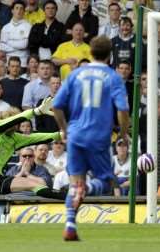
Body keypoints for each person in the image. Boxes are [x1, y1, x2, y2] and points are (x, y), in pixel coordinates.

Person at [52, 35, 130, 240]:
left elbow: (56, 106)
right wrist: (123, 133)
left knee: (74, 182)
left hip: (76, 135)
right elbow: (122, 109)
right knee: (106, 181)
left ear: (91, 53)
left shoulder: (75, 74)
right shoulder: (113, 77)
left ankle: (70, 224)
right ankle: (87, 188)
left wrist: (65, 129)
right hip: (98, 137)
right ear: (110, 54)